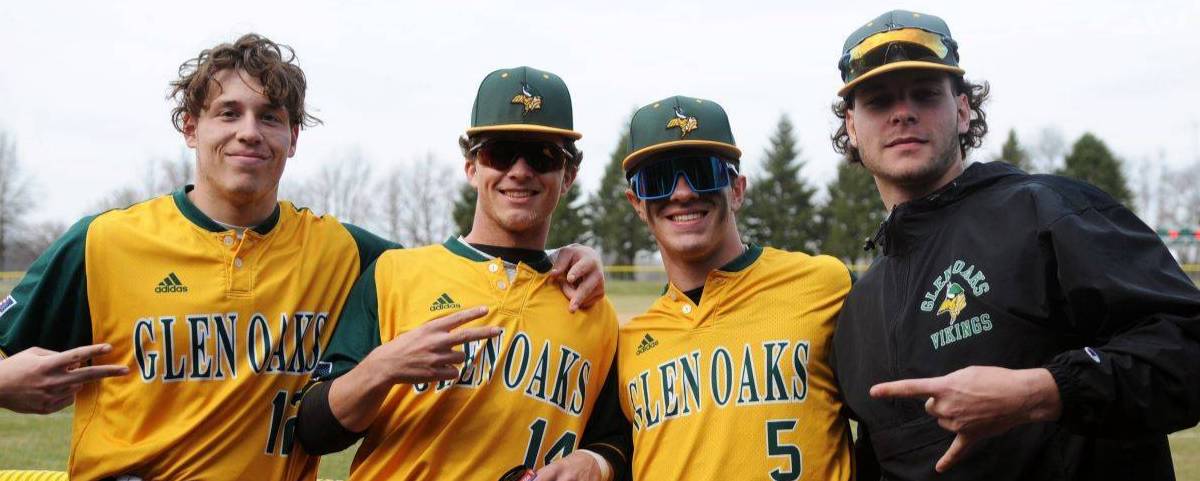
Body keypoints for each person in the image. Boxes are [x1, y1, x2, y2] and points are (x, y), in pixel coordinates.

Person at [0, 38, 605, 480]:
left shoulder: (342, 252)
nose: (249, 132)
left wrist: (570, 257)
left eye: (271, 117)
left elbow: (466, 265)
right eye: (227, 113)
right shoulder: (105, 241)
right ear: (190, 128)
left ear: (294, 137)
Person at [829, 10, 1200, 480]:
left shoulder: (1049, 213)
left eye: (925, 95)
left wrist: (1043, 391)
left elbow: (1187, 344)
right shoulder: (859, 309)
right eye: (879, 101)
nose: (903, 112)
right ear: (853, 128)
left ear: (963, 110)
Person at [295, 66, 627, 481]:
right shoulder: (395, 275)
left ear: (568, 176)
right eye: (500, 153)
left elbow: (617, 441)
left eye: (543, 156)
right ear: (472, 167)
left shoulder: (593, 311)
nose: (520, 171)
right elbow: (311, 430)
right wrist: (380, 368)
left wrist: (596, 463)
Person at [613, 95, 853, 480]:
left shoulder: (825, 286)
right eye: (658, 180)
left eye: (702, 172)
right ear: (637, 204)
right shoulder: (627, 343)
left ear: (737, 189)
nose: (682, 193)